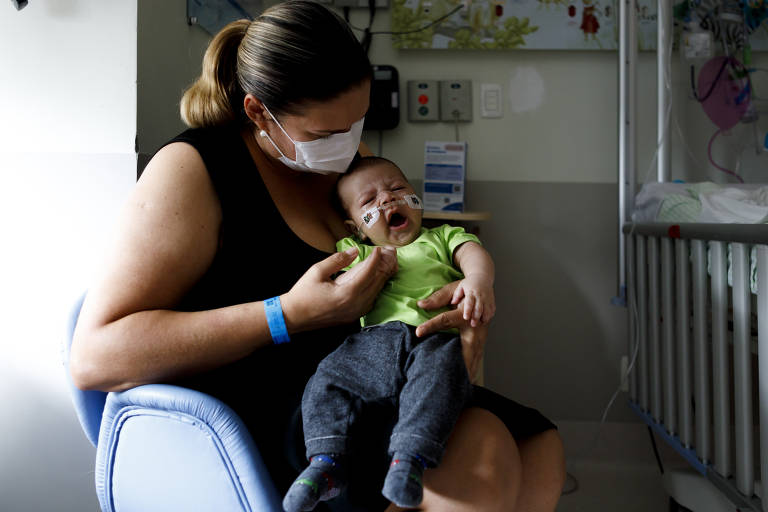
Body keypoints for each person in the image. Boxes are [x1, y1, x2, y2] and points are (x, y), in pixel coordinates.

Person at [69, 1, 566, 510]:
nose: (350, 145)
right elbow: (95, 357)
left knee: (539, 448)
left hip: (385, 373)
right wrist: (288, 315)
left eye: (357, 123)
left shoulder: (353, 166)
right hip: (288, 409)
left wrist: (460, 315)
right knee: (481, 448)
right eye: (325, 134)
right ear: (259, 111)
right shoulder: (194, 169)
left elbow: (419, 260)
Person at [284, 156, 493, 511]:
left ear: (416, 199)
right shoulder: (358, 251)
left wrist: (477, 280)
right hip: (373, 342)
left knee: (442, 380)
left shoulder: (441, 236)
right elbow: (338, 289)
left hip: (432, 336)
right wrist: (368, 270)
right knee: (327, 378)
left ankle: (409, 459)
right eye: (370, 201)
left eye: (398, 189)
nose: (387, 200)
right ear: (357, 227)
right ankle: (325, 460)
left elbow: (474, 253)